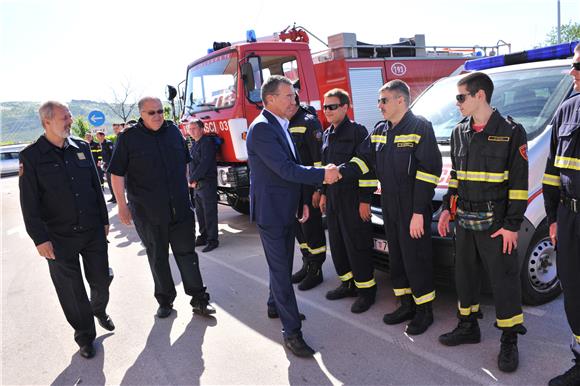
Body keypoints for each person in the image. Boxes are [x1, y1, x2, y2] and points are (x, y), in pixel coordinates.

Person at [437, 72, 528, 373]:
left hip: (497, 223)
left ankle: (509, 339)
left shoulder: (512, 131)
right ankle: (468, 326)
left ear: (480, 96)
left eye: (461, 97)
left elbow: (518, 184)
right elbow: (456, 177)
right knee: (464, 275)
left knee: (504, 281)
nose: (457, 103)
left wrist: (513, 225)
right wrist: (448, 210)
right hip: (464, 219)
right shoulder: (458, 131)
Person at [246, 75, 341, 357]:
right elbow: (286, 169)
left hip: (285, 206)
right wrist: (323, 174)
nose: (294, 100)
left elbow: (291, 169)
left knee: (283, 264)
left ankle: (275, 305)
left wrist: (301, 201)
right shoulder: (262, 128)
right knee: (281, 269)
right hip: (272, 212)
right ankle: (292, 332)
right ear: (271, 99)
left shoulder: (280, 124)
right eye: (288, 96)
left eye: (294, 95)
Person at [340, 80, 442, 334]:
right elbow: (364, 160)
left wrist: (419, 211)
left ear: (400, 100)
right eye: (379, 100)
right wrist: (341, 172)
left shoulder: (420, 127)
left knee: (416, 257)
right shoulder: (380, 130)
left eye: (383, 100)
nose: (379, 105)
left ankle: (424, 311)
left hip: (412, 204)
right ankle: (405, 303)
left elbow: (430, 172)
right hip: (389, 203)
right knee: (397, 257)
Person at [19, 101, 114, 359]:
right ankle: (85, 336)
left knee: (101, 280)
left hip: (92, 230)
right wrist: (39, 239)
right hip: (58, 237)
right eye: (65, 118)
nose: (70, 121)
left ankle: (99, 308)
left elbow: (96, 186)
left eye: (70, 116)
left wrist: (105, 220)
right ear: (47, 122)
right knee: (71, 292)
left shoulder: (81, 148)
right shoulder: (31, 156)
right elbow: (29, 203)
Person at [108, 97, 215, 318]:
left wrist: (186, 193)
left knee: (187, 255)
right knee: (157, 257)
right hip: (148, 213)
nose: (157, 116)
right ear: (141, 114)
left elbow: (185, 164)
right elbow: (116, 174)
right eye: (151, 113)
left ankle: (199, 300)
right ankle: (165, 301)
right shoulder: (128, 138)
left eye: (160, 111)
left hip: (180, 209)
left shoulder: (174, 132)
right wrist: (122, 205)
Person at [320, 88, 378, 314]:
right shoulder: (326, 134)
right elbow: (323, 167)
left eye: (332, 106)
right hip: (333, 198)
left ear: (345, 107)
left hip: (353, 198)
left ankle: (366, 291)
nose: (327, 111)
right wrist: (323, 192)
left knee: (357, 245)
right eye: (325, 107)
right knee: (337, 244)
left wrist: (365, 200)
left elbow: (366, 166)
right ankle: (348, 284)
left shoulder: (357, 132)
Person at [543, 44, 580, 386]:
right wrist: (553, 217)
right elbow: (553, 174)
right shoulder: (566, 111)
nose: (573, 72)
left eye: (578, 66)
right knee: (574, 290)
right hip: (569, 219)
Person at [288, 93, 327, 291]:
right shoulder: (285, 122)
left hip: (308, 187)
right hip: (293, 187)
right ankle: (307, 262)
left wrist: (319, 189)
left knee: (312, 228)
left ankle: (316, 270)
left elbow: (319, 160)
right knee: (299, 229)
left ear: (293, 100)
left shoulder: (309, 122)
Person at [187, 118, 219, 252]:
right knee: (200, 212)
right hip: (198, 185)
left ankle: (213, 240)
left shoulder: (207, 143)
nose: (191, 131)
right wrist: (191, 179)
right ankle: (203, 235)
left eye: (194, 128)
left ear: (202, 129)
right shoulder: (195, 144)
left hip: (206, 183)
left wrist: (192, 179)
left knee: (209, 212)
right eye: (190, 129)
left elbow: (204, 164)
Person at [96, 131, 116, 203]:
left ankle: (116, 197)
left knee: (113, 183)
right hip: (106, 166)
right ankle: (113, 196)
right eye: (97, 136)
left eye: (98, 136)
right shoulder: (101, 144)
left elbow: (113, 155)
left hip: (111, 166)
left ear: (103, 136)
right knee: (109, 183)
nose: (97, 138)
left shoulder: (108, 143)